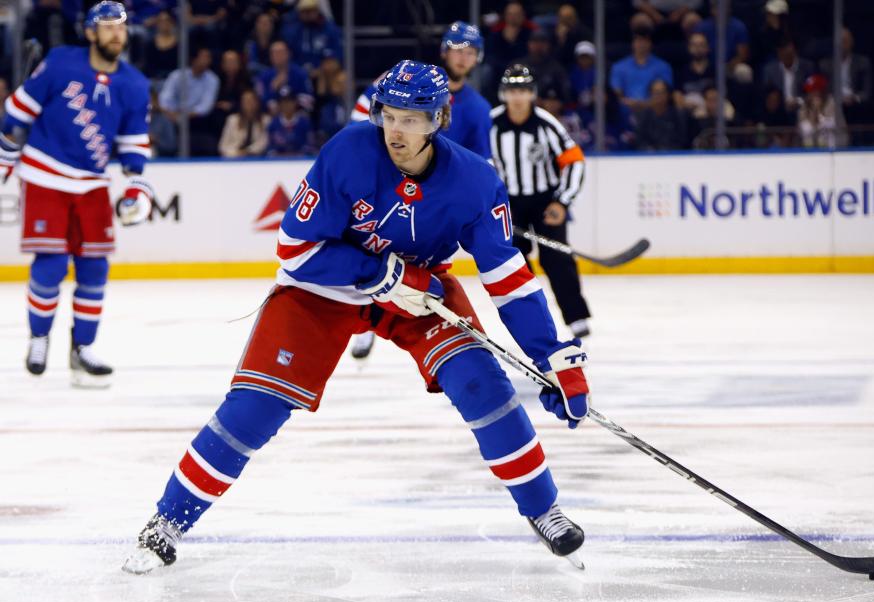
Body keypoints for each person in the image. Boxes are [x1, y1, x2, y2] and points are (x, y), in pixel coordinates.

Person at [121, 59, 590, 575]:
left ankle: (544, 509)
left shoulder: (475, 181)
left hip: (418, 294)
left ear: (440, 119)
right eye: (390, 114)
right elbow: (293, 250)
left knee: (485, 386)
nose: (397, 129)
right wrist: (380, 272)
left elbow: (509, 279)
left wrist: (552, 357)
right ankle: (166, 521)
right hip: (323, 289)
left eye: (413, 118)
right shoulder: (347, 152)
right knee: (257, 406)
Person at [0, 2, 154, 386]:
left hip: (92, 183)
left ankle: (82, 348)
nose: (116, 33)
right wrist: (4, 159)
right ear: (89, 33)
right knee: (50, 263)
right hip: (45, 175)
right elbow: (17, 114)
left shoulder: (134, 84)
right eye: (107, 26)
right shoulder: (60, 63)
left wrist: (136, 185)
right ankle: (39, 339)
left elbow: (133, 145)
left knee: (95, 269)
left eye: (121, 26)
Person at [348, 20, 494, 360]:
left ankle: (428, 337)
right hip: (389, 189)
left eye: (469, 52)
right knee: (373, 257)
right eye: (456, 49)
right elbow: (360, 120)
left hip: (435, 204)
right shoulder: (405, 80)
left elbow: (480, 164)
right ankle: (364, 322)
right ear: (444, 50)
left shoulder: (477, 109)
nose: (461, 58)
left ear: (478, 58)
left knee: (422, 271)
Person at [490, 65, 591, 339]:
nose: (518, 97)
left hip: (545, 201)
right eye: (512, 90)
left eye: (522, 90)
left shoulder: (547, 124)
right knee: (515, 266)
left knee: (557, 259)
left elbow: (574, 162)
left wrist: (562, 202)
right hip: (509, 205)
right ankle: (531, 321)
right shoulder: (491, 125)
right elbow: (479, 167)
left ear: (532, 93)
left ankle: (576, 316)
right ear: (503, 94)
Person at [158, 46, 220, 156]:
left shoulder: (212, 79)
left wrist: (185, 115)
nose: (207, 60)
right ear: (194, 59)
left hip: (197, 119)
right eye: (204, 57)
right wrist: (172, 113)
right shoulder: (177, 75)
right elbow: (165, 99)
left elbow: (205, 106)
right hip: (174, 116)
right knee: (162, 119)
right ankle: (167, 153)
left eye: (208, 58)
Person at [610, 26, 674, 114]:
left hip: (654, 113)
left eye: (644, 40)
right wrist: (628, 102)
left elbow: (665, 96)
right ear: (633, 43)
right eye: (638, 40)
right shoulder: (619, 67)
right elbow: (615, 93)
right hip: (626, 113)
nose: (641, 44)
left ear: (650, 43)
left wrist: (643, 104)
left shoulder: (663, 67)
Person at [266, 86, 317, 157]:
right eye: (283, 102)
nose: (286, 105)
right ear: (279, 105)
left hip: (300, 162)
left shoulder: (304, 123)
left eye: (289, 102)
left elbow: (310, 145)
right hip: (278, 162)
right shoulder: (273, 124)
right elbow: (270, 148)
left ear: (295, 103)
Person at [219, 89, 269, 158]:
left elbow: (264, 142)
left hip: (256, 159)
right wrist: (236, 153)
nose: (248, 104)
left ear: (257, 103)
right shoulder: (232, 120)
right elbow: (223, 146)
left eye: (251, 101)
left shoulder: (265, 120)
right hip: (234, 158)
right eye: (245, 101)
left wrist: (247, 151)